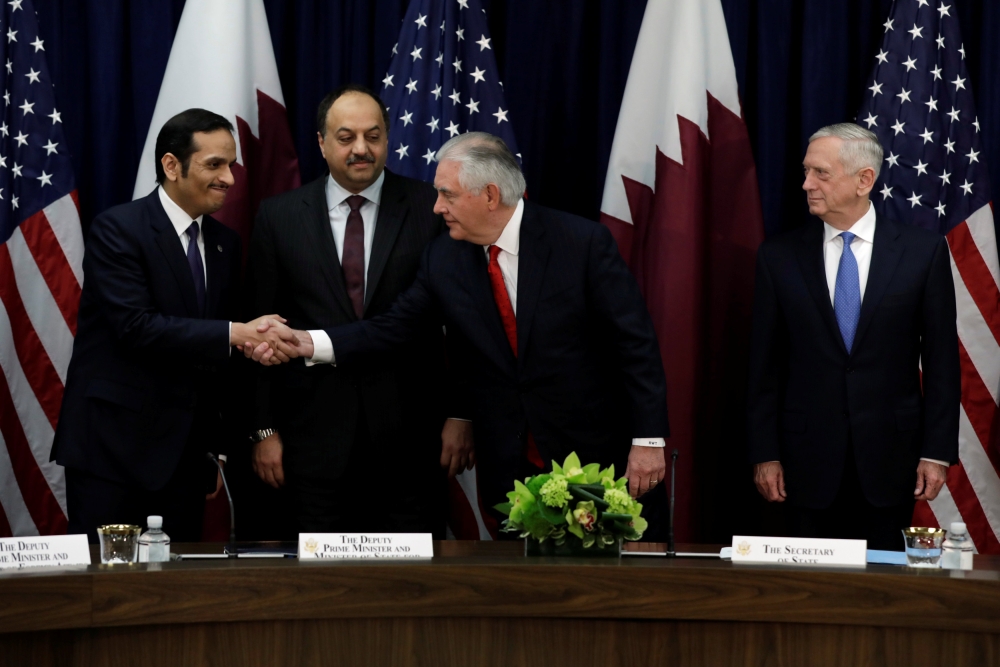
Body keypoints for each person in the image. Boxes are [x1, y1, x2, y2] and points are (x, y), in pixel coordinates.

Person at [251, 131, 670, 525]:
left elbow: (635, 346)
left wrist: (648, 440)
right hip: (509, 460)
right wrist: (307, 342)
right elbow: (392, 328)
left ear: (489, 195)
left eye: (446, 194)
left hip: (591, 452)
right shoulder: (445, 259)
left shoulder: (581, 244)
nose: (436, 207)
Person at [51, 109, 298, 543]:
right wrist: (237, 333)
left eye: (231, 165)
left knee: (174, 593)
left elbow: (210, 359)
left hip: (185, 460)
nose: (230, 179)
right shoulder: (119, 229)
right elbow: (137, 327)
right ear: (171, 165)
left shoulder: (225, 244)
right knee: (107, 592)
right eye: (214, 164)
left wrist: (215, 448)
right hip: (112, 454)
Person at [243, 85, 470, 537]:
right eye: (346, 137)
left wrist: (462, 414)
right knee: (320, 589)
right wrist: (262, 431)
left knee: (410, 587)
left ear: (388, 138)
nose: (361, 149)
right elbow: (258, 329)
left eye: (373, 135)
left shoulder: (433, 211)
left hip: (411, 439)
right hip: (310, 441)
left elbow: (462, 324)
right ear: (322, 144)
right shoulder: (278, 216)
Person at [747, 123, 960, 550]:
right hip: (803, 465)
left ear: (864, 180)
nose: (807, 184)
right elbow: (763, 367)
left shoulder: (923, 252)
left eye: (820, 173)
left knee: (883, 597)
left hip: (890, 463)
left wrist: (936, 453)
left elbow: (941, 362)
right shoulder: (778, 256)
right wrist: (764, 453)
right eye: (807, 172)